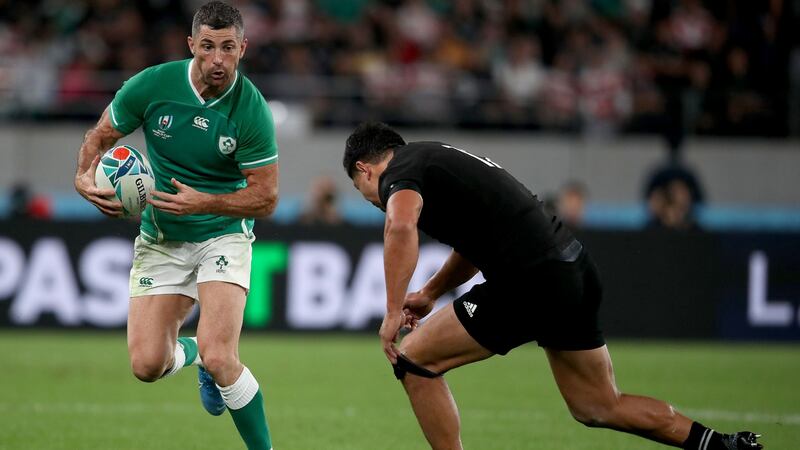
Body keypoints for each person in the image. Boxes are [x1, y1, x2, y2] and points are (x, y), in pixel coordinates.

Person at [342, 122, 762, 450]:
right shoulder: (437, 164)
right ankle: (719, 443)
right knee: (597, 406)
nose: (373, 200)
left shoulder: (401, 171)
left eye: (365, 194)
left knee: (414, 358)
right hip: (572, 269)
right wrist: (431, 292)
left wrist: (394, 309)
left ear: (365, 169)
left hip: (530, 280)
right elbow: (472, 249)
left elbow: (399, 227)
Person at [73, 2, 277, 449]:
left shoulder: (251, 111)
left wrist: (204, 201)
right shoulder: (153, 85)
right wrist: (83, 176)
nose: (217, 59)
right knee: (147, 365)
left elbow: (266, 197)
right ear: (192, 46)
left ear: (243, 48)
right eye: (208, 46)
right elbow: (100, 136)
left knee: (223, 355)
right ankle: (193, 356)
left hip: (222, 234)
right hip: (162, 239)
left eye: (228, 48)